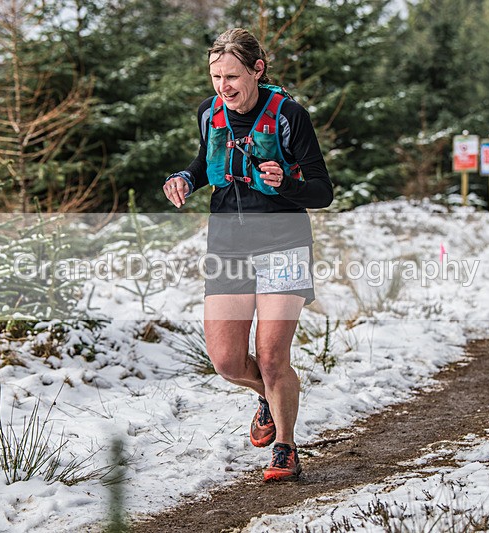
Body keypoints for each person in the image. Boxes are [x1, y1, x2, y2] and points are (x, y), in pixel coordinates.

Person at [163, 28, 333, 482]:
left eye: (233, 76)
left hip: (284, 241)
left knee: (272, 355)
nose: (224, 86)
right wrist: (184, 177)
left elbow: (323, 190)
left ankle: (286, 447)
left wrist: (288, 184)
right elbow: (207, 163)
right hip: (228, 244)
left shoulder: (288, 116)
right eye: (216, 76)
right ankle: (268, 397)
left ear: (258, 70)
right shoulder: (208, 113)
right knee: (226, 362)